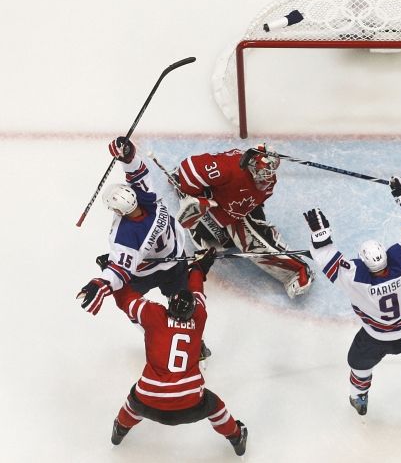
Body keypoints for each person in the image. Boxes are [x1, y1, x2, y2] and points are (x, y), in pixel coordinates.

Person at [303, 177, 401, 417]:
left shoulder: (355, 278)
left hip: (375, 338)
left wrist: (320, 235)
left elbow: (326, 255)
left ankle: (359, 397)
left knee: (358, 366)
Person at [75, 136, 211, 360]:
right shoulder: (148, 198)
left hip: (153, 269)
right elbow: (137, 174)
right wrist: (127, 155)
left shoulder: (124, 234)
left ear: (118, 211)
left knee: (133, 308)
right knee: (183, 306)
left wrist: (100, 283)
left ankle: (173, 341)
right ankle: (189, 346)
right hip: (174, 260)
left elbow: (120, 271)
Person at [107, 248, 248, 456]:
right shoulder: (199, 316)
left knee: (134, 401)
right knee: (215, 406)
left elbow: (125, 300)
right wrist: (199, 267)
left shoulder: (153, 314)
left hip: (148, 400)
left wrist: (111, 276)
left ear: (169, 306)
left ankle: (119, 429)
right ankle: (236, 437)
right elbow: (197, 290)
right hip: (190, 403)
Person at [174, 143, 314, 299]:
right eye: (263, 172)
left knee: (248, 239)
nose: (267, 177)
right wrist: (195, 197)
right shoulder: (228, 168)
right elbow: (189, 169)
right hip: (216, 209)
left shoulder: (268, 182)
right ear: (252, 165)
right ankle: (296, 270)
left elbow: (257, 199)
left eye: (269, 172)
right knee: (227, 240)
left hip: (236, 211)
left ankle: (295, 271)